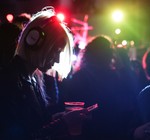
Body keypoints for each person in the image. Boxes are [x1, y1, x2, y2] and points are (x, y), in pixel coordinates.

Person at [0, 6, 88, 140]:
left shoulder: (33, 77)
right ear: (36, 43)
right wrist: (63, 123)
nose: (57, 59)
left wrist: (56, 118)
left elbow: (34, 125)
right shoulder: (8, 80)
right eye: (55, 51)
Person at [60, 35, 136, 140]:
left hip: (85, 132)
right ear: (109, 54)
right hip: (110, 131)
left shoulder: (79, 76)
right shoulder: (114, 77)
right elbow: (123, 106)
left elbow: (71, 104)